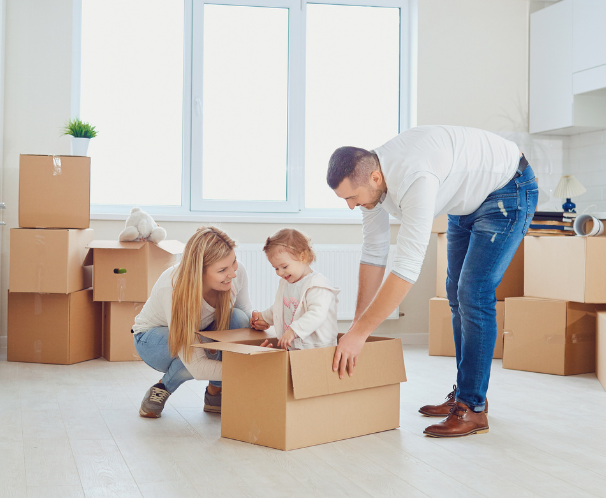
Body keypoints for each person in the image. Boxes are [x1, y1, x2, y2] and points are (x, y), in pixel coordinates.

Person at [326, 125, 538, 438]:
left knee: (473, 292)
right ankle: (467, 392)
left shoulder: (415, 177)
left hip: (508, 189)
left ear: (374, 179)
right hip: (466, 201)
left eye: (352, 198)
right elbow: (374, 254)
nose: (350, 206)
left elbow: (407, 267)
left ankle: (473, 408)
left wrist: (359, 334)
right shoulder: (371, 184)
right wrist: (358, 328)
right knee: (455, 293)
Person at [132, 226, 252, 417]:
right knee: (203, 348)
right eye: (222, 270)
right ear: (200, 273)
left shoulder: (235, 274)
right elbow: (197, 365)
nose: (233, 274)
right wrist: (250, 371)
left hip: (199, 333)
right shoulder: (173, 287)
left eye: (234, 262)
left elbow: (244, 316)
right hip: (153, 340)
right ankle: (164, 387)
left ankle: (215, 391)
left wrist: (261, 331)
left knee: (239, 319)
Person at [250, 229, 340, 350]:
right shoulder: (287, 283)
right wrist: (263, 317)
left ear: (302, 257)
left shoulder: (316, 285)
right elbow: (281, 307)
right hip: (296, 347)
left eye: (284, 266)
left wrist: (293, 331)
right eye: (276, 268)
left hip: (319, 348)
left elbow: (316, 314)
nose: (280, 272)